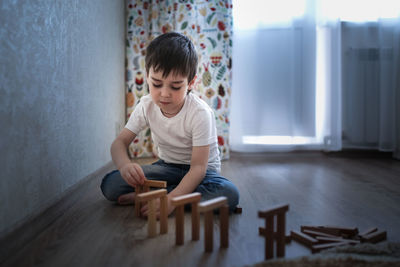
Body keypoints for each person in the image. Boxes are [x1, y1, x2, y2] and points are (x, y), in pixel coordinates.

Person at [100, 32, 239, 217]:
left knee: (228, 195)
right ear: (147, 76)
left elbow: (198, 168)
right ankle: (173, 195)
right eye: (156, 84)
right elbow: (119, 143)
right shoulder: (146, 105)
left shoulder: (200, 113)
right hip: (168, 167)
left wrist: (171, 201)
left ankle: (163, 196)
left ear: (190, 83)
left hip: (202, 174)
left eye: (175, 87)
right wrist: (125, 165)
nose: (164, 94)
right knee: (111, 185)